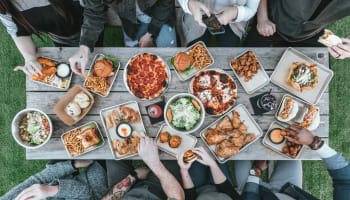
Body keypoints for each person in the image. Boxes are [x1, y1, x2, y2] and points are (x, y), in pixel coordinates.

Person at [236, 125, 350, 200]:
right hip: (288, 191)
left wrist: (256, 170)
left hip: (254, 192)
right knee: (292, 155)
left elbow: (250, 196)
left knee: (237, 152)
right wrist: (314, 142)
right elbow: (345, 180)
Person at [69, 0, 177, 74]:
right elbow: (94, 12)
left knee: (170, 59)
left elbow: (166, 3)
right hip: (132, 23)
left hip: (161, 16)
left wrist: (150, 34)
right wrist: (84, 47)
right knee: (133, 64)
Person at [0, 0, 85, 76]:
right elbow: (17, 30)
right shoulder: (3, 4)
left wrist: (86, 44)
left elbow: (93, 11)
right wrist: (30, 58)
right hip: (61, 38)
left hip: (92, 28)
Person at [244, 0, 350, 59]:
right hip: (272, 18)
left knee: (315, 78)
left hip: (310, 32)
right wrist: (262, 17)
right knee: (245, 61)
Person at [104, 136, 185, 200]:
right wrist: (154, 163)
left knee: (112, 149)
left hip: (124, 193)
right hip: (158, 191)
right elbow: (177, 198)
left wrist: (133, 176)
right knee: (174, 150)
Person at [0, 160, 108, 200]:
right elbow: (86, 193)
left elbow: (38, 179)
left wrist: (72, 165)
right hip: (97, 185)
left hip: (67, 176)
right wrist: (51, 190)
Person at [178, 0, 260, 47]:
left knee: (227, 55)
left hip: (234, 21)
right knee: (194, 55)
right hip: (197, 12)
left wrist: (237, 12)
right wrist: (189, 4)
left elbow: (251, 9)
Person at [176, 147, 241, 200]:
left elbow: (190, 195)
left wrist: (184, 170)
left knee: (192, 151)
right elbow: (228, 190)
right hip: (223, 188)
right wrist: (212, 164)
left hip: (197, 189)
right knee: (220, 153)